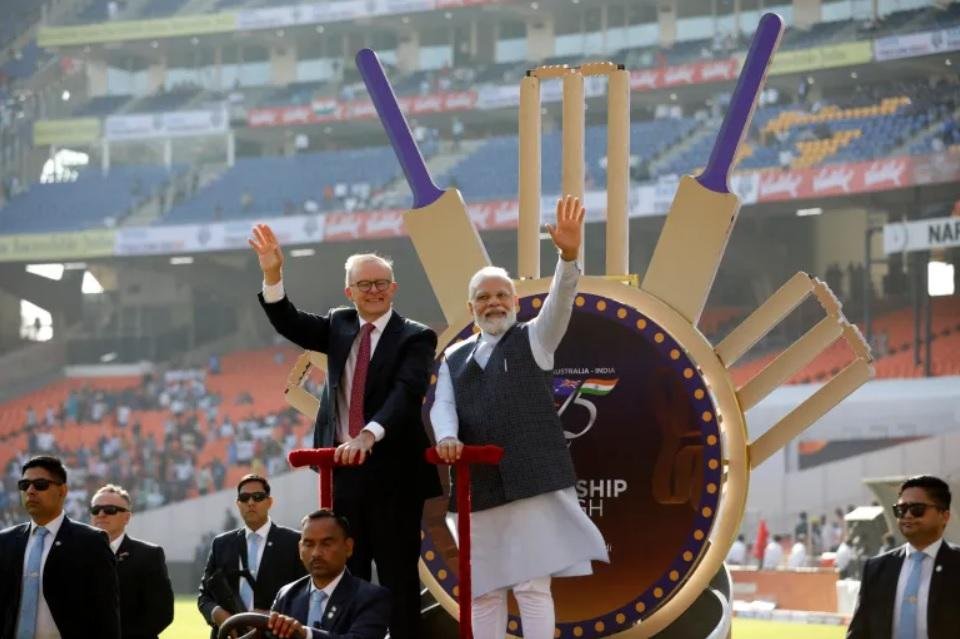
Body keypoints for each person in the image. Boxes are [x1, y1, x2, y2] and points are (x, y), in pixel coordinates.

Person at [430, 195, 608, 639]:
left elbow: (561, 302)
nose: (493, 303)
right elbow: (443, 405)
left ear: (515, 300)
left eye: (501, 295)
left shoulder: (536, 338)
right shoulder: (452, 357)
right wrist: (448, 437)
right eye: (483, 297)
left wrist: (567, 257)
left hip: (533, 477)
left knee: (532, 585)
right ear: (471, 308)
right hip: (479, 487)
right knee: (484, 589)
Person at [251, 224, 441, 639]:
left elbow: (405, 393)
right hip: (344, 474)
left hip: (393, 475)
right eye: (364, 284)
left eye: (380, 283)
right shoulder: (338, 324)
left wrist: (368, 435)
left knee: (397, 578)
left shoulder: (416, 335)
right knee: (344, 579)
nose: (373, 290)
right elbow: (289, 322)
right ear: (348, 291)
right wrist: (272, 274)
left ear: (393, 289)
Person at [0, 455, 121, 639]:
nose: (30, 491)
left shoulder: (91, 543)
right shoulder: (5, 542)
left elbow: (105, 617)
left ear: (62, 490)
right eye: (24, 485)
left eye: (40, 484)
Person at [847, 475, 959, 639]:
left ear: (944, 516)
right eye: (901, 510)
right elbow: (859, 633)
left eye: (917, 509)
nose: (907, 515)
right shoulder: (876, 569)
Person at [197, 474, 306, 639]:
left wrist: (270, 617)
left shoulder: (294, 542)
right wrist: (218, 614)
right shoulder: (221, 543)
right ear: (238, 504)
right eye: (244, 497)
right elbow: (204, 595)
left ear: (270, 502)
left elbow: (305, 594)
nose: (251, 502)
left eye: (258, 497)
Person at [266, 510, 390, 639]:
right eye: (309, 544)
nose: (316, 553)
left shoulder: (371, 598)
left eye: (326, 543)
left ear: (348, 547)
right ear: (300, 549)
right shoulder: (287, 594)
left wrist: (306, 634)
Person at [90, 484, 173, 639]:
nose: (101, 514)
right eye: (95, 510)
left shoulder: (149, 555)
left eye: (110, 510)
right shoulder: (76, 553)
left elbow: (162, 614)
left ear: (127, 517)